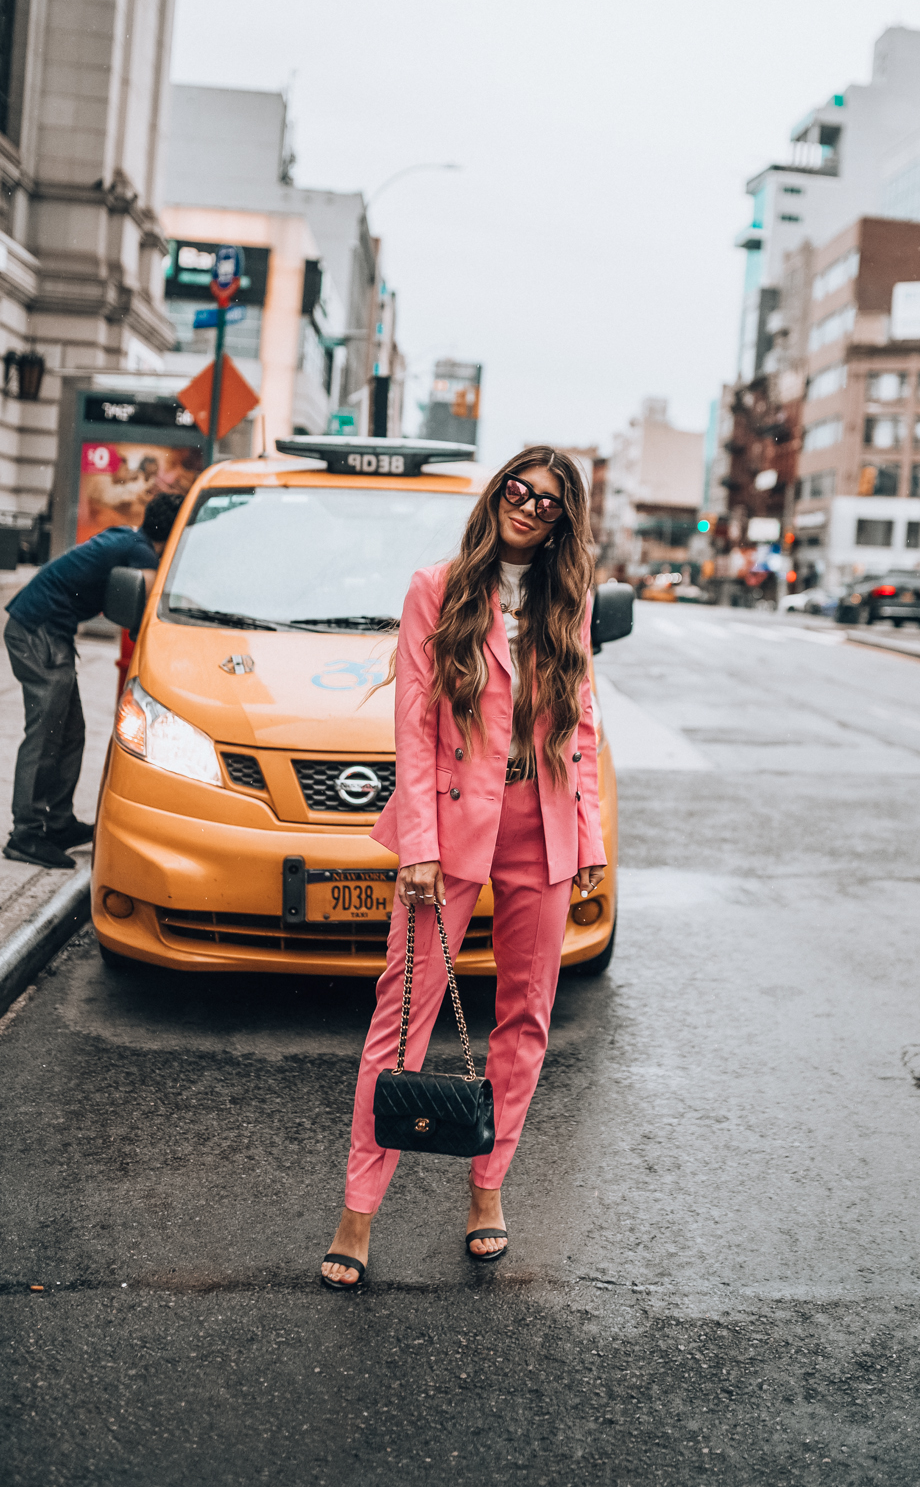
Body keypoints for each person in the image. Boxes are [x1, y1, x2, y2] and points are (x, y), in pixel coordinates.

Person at [321, 448, 607, 1289]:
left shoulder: (568, 600)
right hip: (448, 825)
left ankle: (487, 1189)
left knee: (524, 1016)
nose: (528, 507)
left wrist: (585, 841)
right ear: (497, 495)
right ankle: (356, 1211)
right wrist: (415, 841)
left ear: (563, 521)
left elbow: (581, 725)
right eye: (518, 491)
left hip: (541, 822)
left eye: (547, 503)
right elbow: (413, 725)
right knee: (399, 1016)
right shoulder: (436, 586)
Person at [3, 493, 185, 869]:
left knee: (70, 733)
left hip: (45, 629)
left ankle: (57, 823)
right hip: (38, 631)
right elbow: (146, 617)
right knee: (46, 734)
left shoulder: (128, 539)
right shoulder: (143, 555)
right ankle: (26, 834)